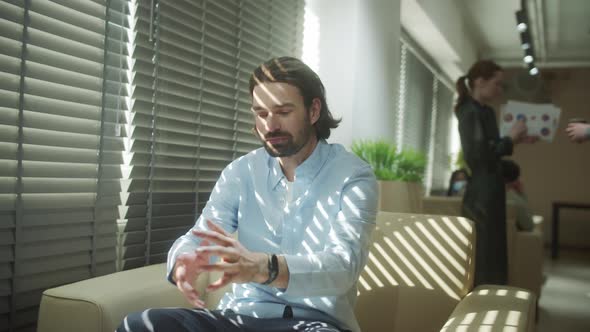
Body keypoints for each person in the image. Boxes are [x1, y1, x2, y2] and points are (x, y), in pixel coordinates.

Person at [117, 57, 378, 332]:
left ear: (313, 111)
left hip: (313, 323)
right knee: (140, 325)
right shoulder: (241, 172)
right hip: (240, 318)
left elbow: (342, 266)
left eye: (283, 112)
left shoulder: (354, 176)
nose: (270, 125)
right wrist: (185, 260)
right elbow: (199, 236)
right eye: (261, 113)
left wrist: (265, 267)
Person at [454, 60, 536, 286]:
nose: (500, 90)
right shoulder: (468, 111)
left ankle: (491, 299)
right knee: (484, 251)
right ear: (480, 82)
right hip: (481, 193)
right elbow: (479, 156)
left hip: (491, 188)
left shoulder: (486, 112)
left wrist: (514, 141)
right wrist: (510, 139)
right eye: (497, 84)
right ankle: (480, 304)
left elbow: (491, 150)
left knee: (493, 249)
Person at [501, 159, 534, 231]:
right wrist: (522, 195)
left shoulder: (482, 197)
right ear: (516, 180)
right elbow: (529, 226)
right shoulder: (516, 201)